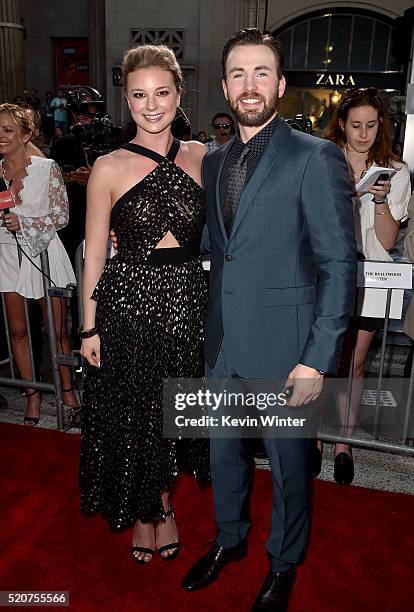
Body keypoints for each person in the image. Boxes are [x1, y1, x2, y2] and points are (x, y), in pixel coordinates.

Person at [181, 28, 357, 611]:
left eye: (261, 73)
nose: (249, 85)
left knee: (287, 470)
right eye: (238, 74)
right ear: (225, 86)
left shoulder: (315, 156)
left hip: (287, 350)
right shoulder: (214, 161)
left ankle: (283, 563)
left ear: (280, 85)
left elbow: (338, 264)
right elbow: (219, 245)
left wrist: (317, 358)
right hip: (225, 343)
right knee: (222, 454)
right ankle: (230, 539)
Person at [79, 44, 209, 564]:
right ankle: (147, 512)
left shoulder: (204, 156)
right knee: (134, 412)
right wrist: (89, 327)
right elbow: (93, 254)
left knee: (173, 410)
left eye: (161, 93)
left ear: (179, 95)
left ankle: (163, 503)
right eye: (139, 95)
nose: (151, 105)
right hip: (128, 302)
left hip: (186, 301)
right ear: (126, 99)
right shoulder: (108, 166)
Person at [316, 87, 411, 484]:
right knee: (321, 361)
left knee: (353, 364)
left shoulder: (396, 170)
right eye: (356, 125)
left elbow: (388, 242)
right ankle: (313, 439)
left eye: (371, 125)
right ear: (341, 123)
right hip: (323, 272)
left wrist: (380, 201)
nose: (363, 133)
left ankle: (343, 444)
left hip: (371, 273)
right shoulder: (322, 158)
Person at [0, 103, 78, 424]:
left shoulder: (47, 168)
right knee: (17, 331)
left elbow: (62, 216)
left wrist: (26, 223)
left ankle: (69, 390)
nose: (1, 136)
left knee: (56, 330)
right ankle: (32, 395)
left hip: (44, 252)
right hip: (6, 255)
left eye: (7, 130)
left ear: (25, 133)